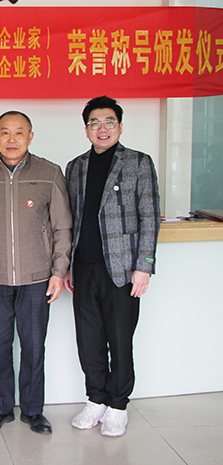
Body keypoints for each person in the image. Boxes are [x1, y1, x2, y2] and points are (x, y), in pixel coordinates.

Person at [0, 111, 72, 435]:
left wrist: (58, 271)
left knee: (34, 348)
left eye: (19, 132)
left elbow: (62, 226)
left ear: (30, 136)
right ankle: (1, 409)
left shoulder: (50, 173)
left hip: (37, 278)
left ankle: (34, 411)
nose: (12, 139)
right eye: (5, 132)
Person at [64, 96, 160, 437]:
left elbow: (149, 216)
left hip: (122, 269)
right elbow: (71, 220)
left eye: (108, 122)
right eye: (94, 122)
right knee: (88, 339)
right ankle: (96, 400)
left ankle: (118, 405)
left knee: (119, 339)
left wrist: (144, 266)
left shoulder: (138, 162)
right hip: (83, 267)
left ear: (119, 126)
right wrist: (67, 266)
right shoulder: (75, 167)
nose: (101, 129)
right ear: (86, 128)